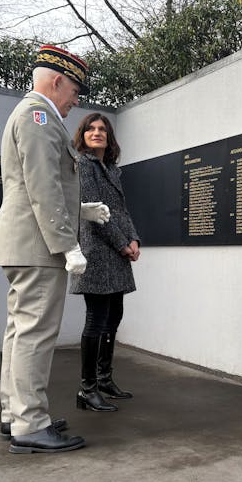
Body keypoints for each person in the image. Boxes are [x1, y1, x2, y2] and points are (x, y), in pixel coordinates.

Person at [0, 45, 111, 453]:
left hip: (24, 241)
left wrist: (83, 210)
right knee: (36, 335)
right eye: (75, 90)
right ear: (57, 81)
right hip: (38, 245)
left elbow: (44, 186)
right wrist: (67, 244)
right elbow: (43, 187)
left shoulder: (31, 116)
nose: (76, 100)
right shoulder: (39, 117)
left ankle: (15, 414)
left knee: (20, 332)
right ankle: (30, 423)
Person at [70, 113, 141, 412]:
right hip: (98, 252)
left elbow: (121, 212)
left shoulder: (111, 169)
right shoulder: (84, 165)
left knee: (114, 317)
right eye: (91, 129)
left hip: (117, 253)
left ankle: (104, 378)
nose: (97, 133)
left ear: (109, 137)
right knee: (96, 320)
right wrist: (123, 244)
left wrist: (134, 238)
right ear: (83, 134)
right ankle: (87, 390)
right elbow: (94, 213)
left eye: (102, 129)